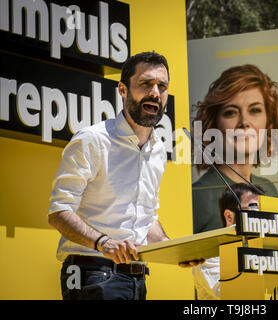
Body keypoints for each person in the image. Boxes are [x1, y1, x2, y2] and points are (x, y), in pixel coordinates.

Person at [48, 51, 201, 300]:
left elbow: (146, 218)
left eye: (162, 86)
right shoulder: (93, 140)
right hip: (91, 273)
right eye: (145, 84)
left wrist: (170, 247)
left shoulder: (158, 151)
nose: (155, 92)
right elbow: (59, 212)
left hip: (137, 277)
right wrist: (103, 242)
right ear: (122, 90)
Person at [192, 64, 278, 234]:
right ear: (213, 124)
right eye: (231, 112)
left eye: (255, 110)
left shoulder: (269, 189)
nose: (244, 122)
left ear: (268, 122)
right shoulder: (199, 195)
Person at [192, 183, 261, 300]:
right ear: (229, 216)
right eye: (251, 210)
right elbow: (228, 293)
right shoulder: (209, 253)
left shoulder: (265, 246)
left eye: (262, 211)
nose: (260, 217)